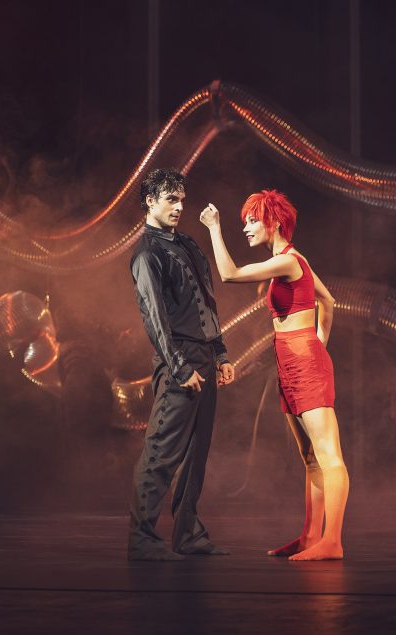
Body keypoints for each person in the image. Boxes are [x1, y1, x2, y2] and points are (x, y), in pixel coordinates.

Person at [200, 190, 348, 561]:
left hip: (304, 361)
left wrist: (214, 228)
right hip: (291, 361)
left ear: (275, 223)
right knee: (310, 456)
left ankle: (332, 541)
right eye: (245, 222)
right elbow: (328, 301)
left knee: (328, 454)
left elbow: (230, 274)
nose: (246, 228)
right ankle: (310, 537)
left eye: (253, 221)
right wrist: (318, 342)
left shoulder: (288, 261)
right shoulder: (292, 261)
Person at [127, 168, 236, 561]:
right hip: (179, 359)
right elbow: (154, 317)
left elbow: (207, 301)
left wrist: (220, 353)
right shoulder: (147, 253)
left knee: (195, 452)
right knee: (162, 450)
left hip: (203, 354)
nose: (178, 207)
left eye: (181, 200)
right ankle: (142, 538)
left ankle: (188, 534)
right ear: (150, 201)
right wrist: (179, 367)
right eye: (170, 199)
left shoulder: (186, 244)